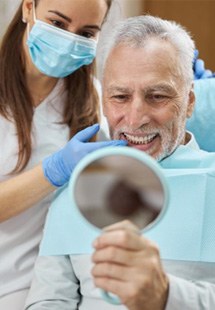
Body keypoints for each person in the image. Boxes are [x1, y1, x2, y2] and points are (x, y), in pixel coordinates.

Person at [24, 15, 215, 310]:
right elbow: (48, 300)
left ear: (189, 101)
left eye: (157, 96)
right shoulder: (76, 188)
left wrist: (166, 295)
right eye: (120, 96)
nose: (136, 118)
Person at [0, 0, 130, 309]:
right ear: (28, 8)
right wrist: (52, 171)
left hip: (40, 285)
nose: (70, 40)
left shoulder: (94, 101)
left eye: (86, 32)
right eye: (58, 24)